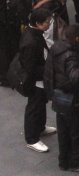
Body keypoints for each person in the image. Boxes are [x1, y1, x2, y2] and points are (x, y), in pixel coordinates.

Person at [44, 24, 79, 171]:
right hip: (72, 100)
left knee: (63, 131)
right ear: (76, 38)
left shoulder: (56, 47)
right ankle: (77, 162)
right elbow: (75, 78)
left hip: (58, 97)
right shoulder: (70, 55)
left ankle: (63, 160)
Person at [19, 7, 56, 153]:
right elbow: (31, 69)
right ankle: (32, 138)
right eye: (47, 22)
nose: (49, 24)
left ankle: (40, 127)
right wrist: (49, 71)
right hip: (35, 81)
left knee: (40, 104)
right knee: (34, 107)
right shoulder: (31, 42)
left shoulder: (35, 34)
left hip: (40, 78)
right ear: (38, 23)